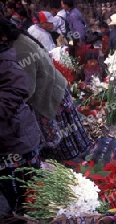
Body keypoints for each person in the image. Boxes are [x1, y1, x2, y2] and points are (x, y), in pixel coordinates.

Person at [0, 17, 90, 161]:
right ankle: (81, 165)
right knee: (70, 140)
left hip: (50, 95)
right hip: (54, 89)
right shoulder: (18, 40)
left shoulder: (20, 49)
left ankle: (78, 170)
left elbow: (27, 88)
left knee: (64, 145)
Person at [0, 42, 41, 212]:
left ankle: (31, 223)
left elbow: (18, 91)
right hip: (9, 141)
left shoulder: (6, 63)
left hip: (16, 140)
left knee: (30, 192)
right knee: (15, 192)